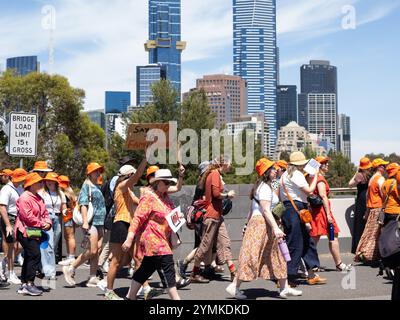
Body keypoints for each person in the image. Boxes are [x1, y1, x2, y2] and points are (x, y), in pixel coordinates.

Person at [226, 158, 303, 299]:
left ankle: (284, 287)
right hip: (262, 224)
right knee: (251, 256)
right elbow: (266, 210)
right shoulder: (264, 188)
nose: (276, 170)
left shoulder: (263, 186)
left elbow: (252, 209)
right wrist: (276, 228)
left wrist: (247, 224)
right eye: (272, 169)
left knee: (278, 256)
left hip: (262, 224)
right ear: (266, 172)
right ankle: (234, 286)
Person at [122, 169, 182, 300]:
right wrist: (129, 238)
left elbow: (171, 216)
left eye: (169, 183)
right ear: (157, 183)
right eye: (165, 182)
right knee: (168, 268)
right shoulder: (149, 197)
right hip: (153, 240)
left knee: (145, 269)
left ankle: (130, 297)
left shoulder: (166, 197)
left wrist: (179, 217)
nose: (168, 185)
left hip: (163, 239)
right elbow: (137, 218)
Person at [280, 151, 326, 286]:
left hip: (289, 209)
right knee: (296, 243)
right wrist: (316, 175)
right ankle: (290, 276)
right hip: (296, 208)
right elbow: (310, 191)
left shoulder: (284, 175)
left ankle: (311, 272)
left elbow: (277, 192)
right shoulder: (296, 174)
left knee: (306, 241)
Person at [103, 159, 147, 300]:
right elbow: (138, 174)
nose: (135, 179)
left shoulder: (128, 189)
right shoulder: (122, 185)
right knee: (116, 261)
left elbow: (138, 202)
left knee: (138, 258)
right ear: (129, 176)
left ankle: (146, 287)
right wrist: (145, 158)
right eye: (133, 176)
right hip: (120, 224)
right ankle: (108, 291)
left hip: (130, 225)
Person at [189, 156, 236, 283]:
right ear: (223, 164)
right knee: (205, 245)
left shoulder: (214, 173)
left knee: (225, 242)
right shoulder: (214, 173)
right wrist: (228, 195)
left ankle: (233, 272)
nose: (230, 167)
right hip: (211, 215)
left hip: (217, 215)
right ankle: (194, 272)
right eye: (229, 164)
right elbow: (216, 194)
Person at [62, 162, 106, 288]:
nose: (98, 173)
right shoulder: (87, 186)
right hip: (91, 222)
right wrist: (85, 221)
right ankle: (71, 267)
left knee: (96, 250)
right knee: (92, 250)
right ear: (89, 173)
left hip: (99, 222)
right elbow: (83, 204)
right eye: (96, 171)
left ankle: (92, 276)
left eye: (99, 171)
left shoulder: (95, 185)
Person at [309, 156, 352, 271]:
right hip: (322, 213)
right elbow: (323, 196)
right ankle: (338, 264)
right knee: (329, 237)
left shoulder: (313, 177)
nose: (327, 165)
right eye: (325, 163)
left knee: (316, 238)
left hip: (318, 213)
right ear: (319, 166)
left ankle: (310, 264)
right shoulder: (320, 179)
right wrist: (328, 214)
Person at [15, 173, 52, 296]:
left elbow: (45, 213)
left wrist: (48, 222)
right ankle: (29, 283)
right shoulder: (25, 197)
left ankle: (24, 284)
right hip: (24, 231)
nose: (42, 184)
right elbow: (28, 217)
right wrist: (43, 224)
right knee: (35, 255)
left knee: (30, 256)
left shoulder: (38, 197)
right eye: (39, 182)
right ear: (31, 184)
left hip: (34, 231)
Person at [177, 161, 210, 279]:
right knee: (202, 245)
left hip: (197, 217)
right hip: (200, 217)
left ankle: (206, 267)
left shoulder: (201, 182)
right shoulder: (204, 183)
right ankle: (184, 263)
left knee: (200, 244)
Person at [355, 158, 389, 264]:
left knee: (369, 233)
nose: (385, 167)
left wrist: (367, 211)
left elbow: (368, 196)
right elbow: (384, 195)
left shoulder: (372, 179)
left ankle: (364, 253)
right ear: (379, 167)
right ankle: (368, 255)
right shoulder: (380, 179)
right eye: (383, 165)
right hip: (379, 208)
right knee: (375, 234)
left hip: (372, 209)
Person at [0, 169, 27, 285]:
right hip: (10, 218)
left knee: (20, 245)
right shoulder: (6, 189)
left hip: (19, 219)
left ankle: (3, 263)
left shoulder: (19, 188)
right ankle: (10, 273)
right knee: (11, 246)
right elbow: (2, 207)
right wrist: (7, 225)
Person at [39, 172, 66, 280]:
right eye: (48, 180)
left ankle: (44, 268)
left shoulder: (60, 193)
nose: (49, 182)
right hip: (46, 219)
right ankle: (49, 272)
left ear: (56, 182)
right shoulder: (42, 192)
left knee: (53, 246)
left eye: (52, 181)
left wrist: (64, 211)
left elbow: (63, 206)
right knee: (47, 245)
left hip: (58, 219)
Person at [380, 163, 400, 300]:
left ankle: (390, 262)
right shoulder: (396, 181)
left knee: (390, 238)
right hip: (396, 214)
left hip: (387, 213)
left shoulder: (385, 183)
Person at [349, 157, 373, 254]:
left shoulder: (360, 175)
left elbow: (350, 184)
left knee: (359, 225)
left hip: (361, 200)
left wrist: (356, 172)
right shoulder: (371, 175)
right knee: (367, 225)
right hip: (368, 199)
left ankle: (358, 248)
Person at [58, 175, 78, 266]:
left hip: (68, 217)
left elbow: (64, 209)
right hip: (71, 217)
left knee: (70, 237)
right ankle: (70, 256)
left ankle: (71, 257)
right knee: (69, 237)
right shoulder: (71, 193)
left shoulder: (64, 194)